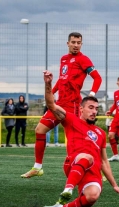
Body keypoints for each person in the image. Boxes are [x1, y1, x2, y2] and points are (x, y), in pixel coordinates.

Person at [37, 70, 119, 207]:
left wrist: (115, 185)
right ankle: (68, 189)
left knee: (92, 197)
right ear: (81, 109)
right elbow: (51, 105)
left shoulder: (100, 133)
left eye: (96, 109)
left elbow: (104, 162)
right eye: (90, 108)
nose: (94, 112)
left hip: (92, 172)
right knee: (86, 156)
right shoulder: (71, 120)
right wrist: (48, 84)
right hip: (74, 163)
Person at [21, 32, 102, 178]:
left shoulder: (84, 60)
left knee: (79, 139)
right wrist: (51, 93)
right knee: (39, 130)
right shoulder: (64, 59)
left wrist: (91, 94)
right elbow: (61, 79)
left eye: (79, 42)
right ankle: (37, 167)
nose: (76, 45)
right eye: (73, 42)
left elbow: (98, 78)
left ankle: (95, 168)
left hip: (73, 105)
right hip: (59, 104)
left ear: (81, 44)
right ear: (68, 43)